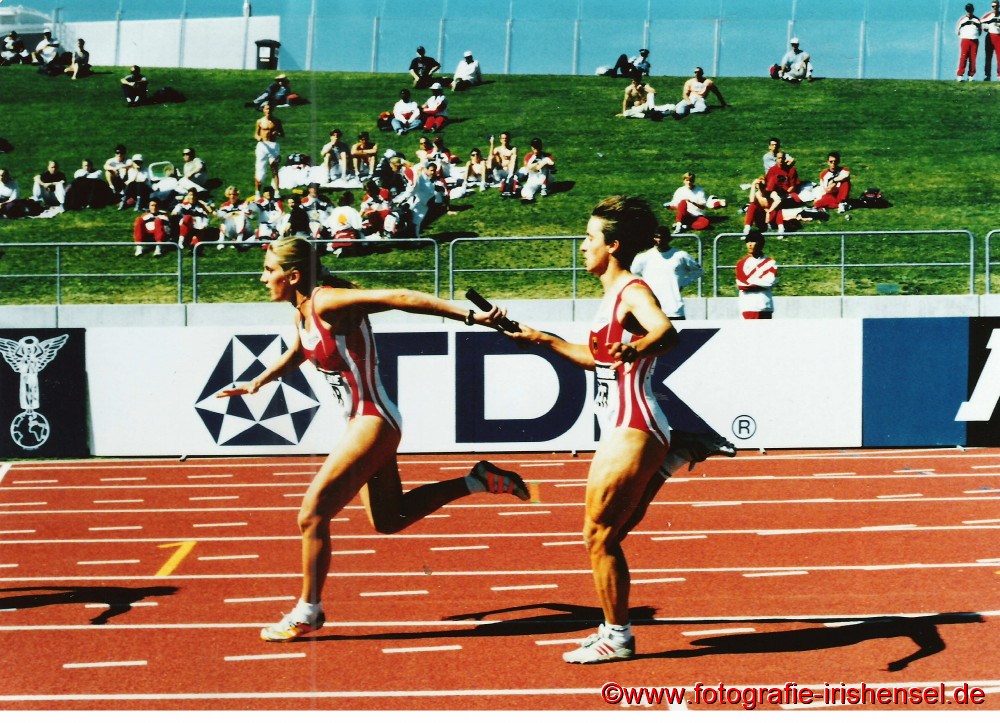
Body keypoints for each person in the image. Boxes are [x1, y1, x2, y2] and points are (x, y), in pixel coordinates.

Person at [216, 235, 530, 641]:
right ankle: (478, 479)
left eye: (268, 270)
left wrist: (469, 316)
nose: (262, 278)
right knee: (389, 518)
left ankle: (308, 610)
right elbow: (301, 350)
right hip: (360, 424)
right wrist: (259, 380)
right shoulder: (302, 311)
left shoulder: (327, 301)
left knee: (311, 515)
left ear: (293, 276)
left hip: (372, 421)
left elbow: (400, 296)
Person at [503, 196, 734, 663]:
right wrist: (541, 340)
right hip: (626, 424)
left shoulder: (632, 290)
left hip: (633, 423)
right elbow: (597, 358)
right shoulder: (611, 296)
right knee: (610, 530)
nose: (581, 246)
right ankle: (671, 459)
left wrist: (641, 347)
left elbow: (667, 331)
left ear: (612, 245)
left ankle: (618, 635)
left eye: (589, 238)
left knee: (599, 536)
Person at [630, 225, 704, 320]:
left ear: (668, 239)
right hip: (652, 311)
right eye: (657, 237)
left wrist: (683, 283)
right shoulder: (643, 258)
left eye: (662, 237)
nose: (659, 240)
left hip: (674, 311)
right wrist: (645, 288)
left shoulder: (680, 256)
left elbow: (698, 271)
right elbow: (632, 274)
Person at [735, 230, 777, 319]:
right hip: (749, 306)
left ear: (760, 243)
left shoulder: (770, 262)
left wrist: (750, 281)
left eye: (753, 241)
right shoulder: (741, 263)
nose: (750, 244)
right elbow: (741, 284)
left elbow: (770, 282)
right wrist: (760, 281)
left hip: (765, 305)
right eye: (748, 241)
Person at [254, 102, 285, 194]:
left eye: (270, 109)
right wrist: (258, 137)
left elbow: (282, 134)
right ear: (263, 110)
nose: (268, 111)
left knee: (274, 167)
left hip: (273, 146)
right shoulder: (259, 121)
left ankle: (277, 191)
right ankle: (257, 193)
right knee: (260, 170)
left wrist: (277, 133)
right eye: (267, 109)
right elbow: (256, 134)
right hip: (262, 146)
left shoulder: (277, 121)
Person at [516, 137, 555, 202]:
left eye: (538, 147)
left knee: (545, 161)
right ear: (532, 147)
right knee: (525, 190)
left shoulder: (547, 156)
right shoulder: (528, 156)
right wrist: (537, 164)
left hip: (547, 180)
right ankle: (529, 198)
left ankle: (544, 189)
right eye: (534, 147)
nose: (536, 150)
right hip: (534, 179)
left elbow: (552, 164)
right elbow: (527, 168)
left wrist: (542, 164)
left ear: (541, 147)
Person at [956, 3, 983, 80]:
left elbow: (980, 31)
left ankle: (971, 76)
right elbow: (958, 31)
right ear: (966, 10)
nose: (969, 12)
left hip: (974, 40)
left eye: (970, 10)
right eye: (968, 10)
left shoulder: (977, 20)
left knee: (973, 58)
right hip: (965, 40)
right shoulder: (962, 20)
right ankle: (960, 75)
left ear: (973, 10)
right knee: (963, 57)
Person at [984, 1, 1000, 80]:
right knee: (988, 57)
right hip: (990, 36)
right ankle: (987, 75)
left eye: (996, 6)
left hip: (999, 36)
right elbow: (981, 23)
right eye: (993, 6)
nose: (995, 8)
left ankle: (999, 75)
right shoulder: (988, 16)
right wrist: (984, 28)